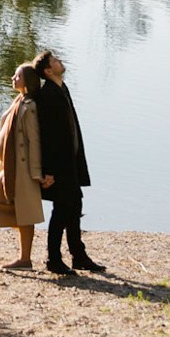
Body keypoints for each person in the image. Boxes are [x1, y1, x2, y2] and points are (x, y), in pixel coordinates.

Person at [32, 49, 101, 274]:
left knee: (74, 206)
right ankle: (53, 259)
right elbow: (48, 138)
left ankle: (78, 255)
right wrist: (49, 171)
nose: (60, 61)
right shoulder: (48, 95)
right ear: (47, 70)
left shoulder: (61, 89)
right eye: (55, 60)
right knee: (62, 210)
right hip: (58, 166)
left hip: (70, 163)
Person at [0, 62, 47, 268]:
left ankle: (2, 256)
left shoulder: (30, 106)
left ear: (27, 81)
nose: (13, 79)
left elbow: (34, 140)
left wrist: (36, 172)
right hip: (11, 166)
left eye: (17, 76)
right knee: (17, 209)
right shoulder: (19, 100)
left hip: (23, 169)